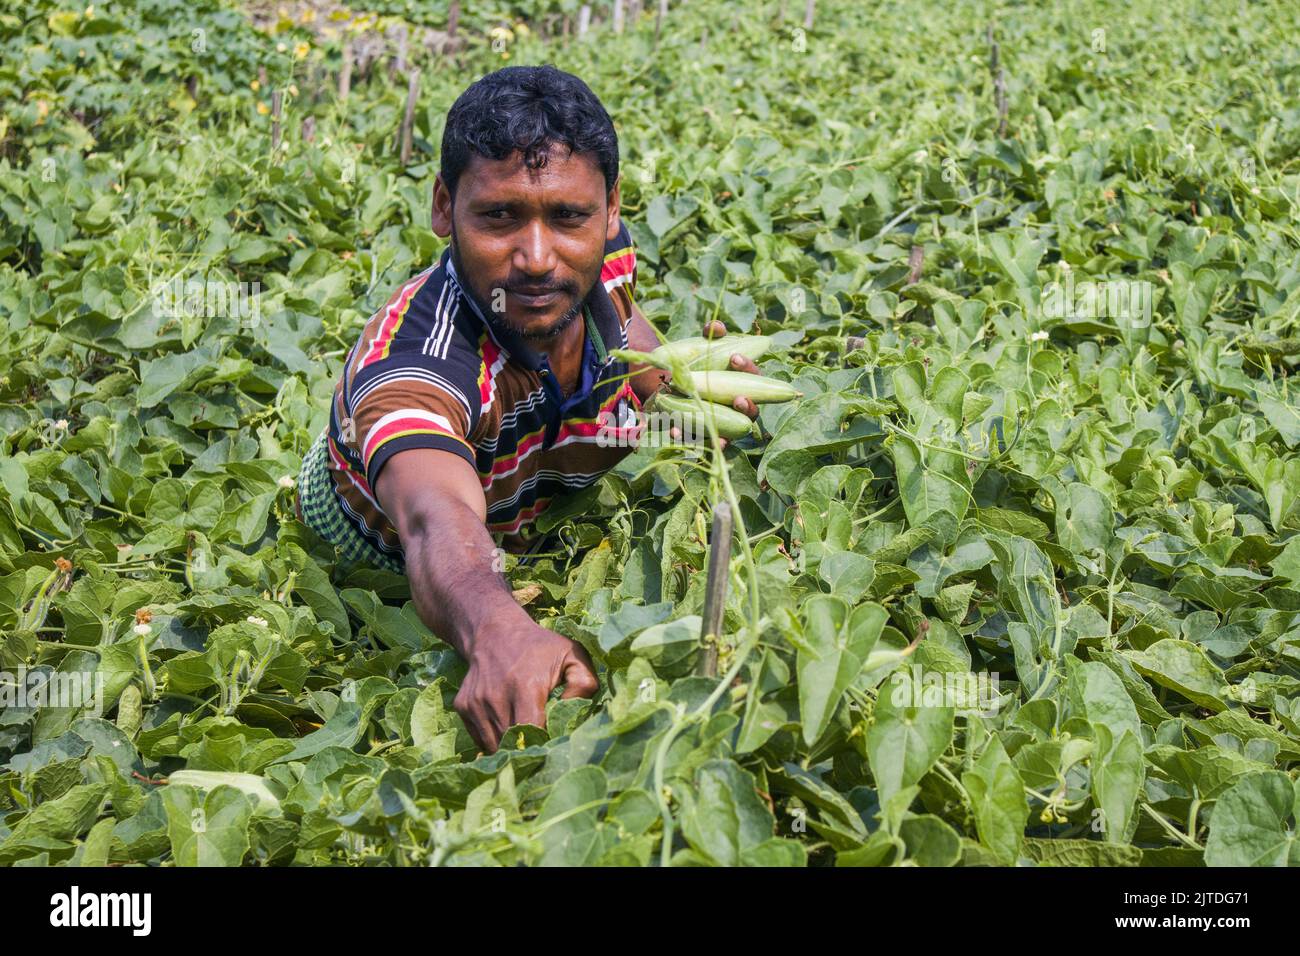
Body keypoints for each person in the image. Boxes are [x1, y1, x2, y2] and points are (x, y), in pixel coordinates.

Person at [296, 65, 765, 753]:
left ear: (608, 213)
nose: (539, 259)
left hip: (532, 506)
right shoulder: (418, 366)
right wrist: (497, 627)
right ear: (442, 207)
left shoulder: (602, 259)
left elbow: (622, 322)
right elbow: (434, 521)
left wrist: (676, 389)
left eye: (569, 217)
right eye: (499, 216)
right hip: (390, 567)